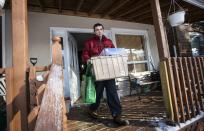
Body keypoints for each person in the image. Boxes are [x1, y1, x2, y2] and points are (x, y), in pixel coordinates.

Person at [82, 23, 129, 126]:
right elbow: (85, 54)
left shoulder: (109, 41)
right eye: (97, 30)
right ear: (94, 31)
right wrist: (88, 60)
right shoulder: (89, 42)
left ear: (103, 30)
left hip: (109, 71)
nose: (99, 31)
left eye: (100, 29)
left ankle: (117, 115)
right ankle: (92, 109)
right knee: (98, 93)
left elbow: (114, 52)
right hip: (97, 71)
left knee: (112, 92)